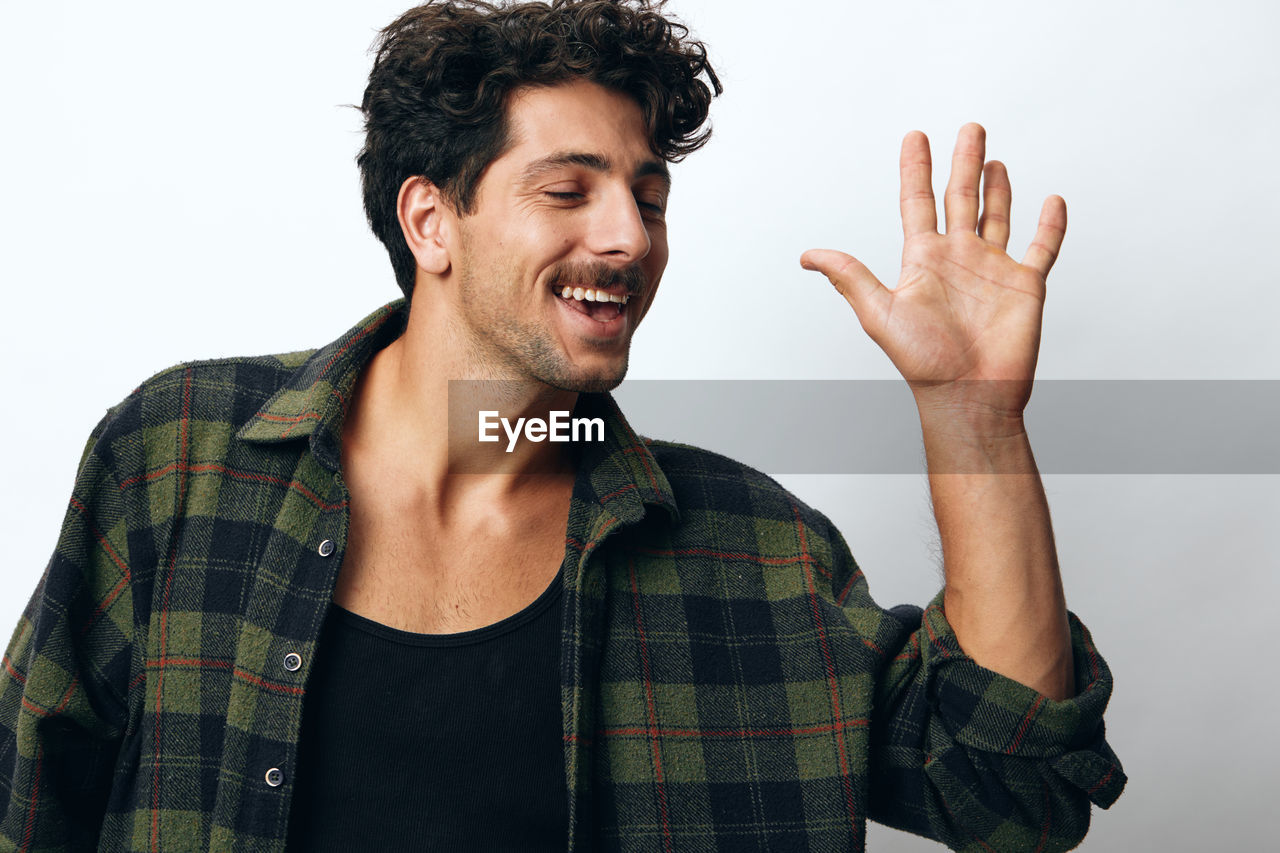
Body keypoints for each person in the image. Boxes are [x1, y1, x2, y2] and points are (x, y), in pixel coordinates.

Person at [0, 0, 1125, 850]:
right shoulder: (180, 458)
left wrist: (971, 422)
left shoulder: (753, 553)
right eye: (567, 189)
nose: (629, 237)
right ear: (432, 220)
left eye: (647, 193)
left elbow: (1014, 789)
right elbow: (25, 797)